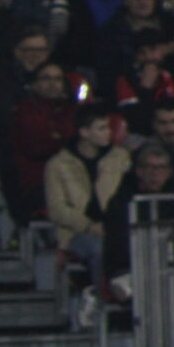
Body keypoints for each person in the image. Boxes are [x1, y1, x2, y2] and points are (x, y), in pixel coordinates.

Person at [45, 104, 131, 290]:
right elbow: (57, 209)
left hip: (116, 228)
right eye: (101, 128)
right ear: (84, 132)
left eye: (108, 127)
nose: (108, 132)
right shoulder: (58, 164)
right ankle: (103, 297)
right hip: (76, 232)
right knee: (98, 248)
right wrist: (88, 226)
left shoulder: (120, 158)